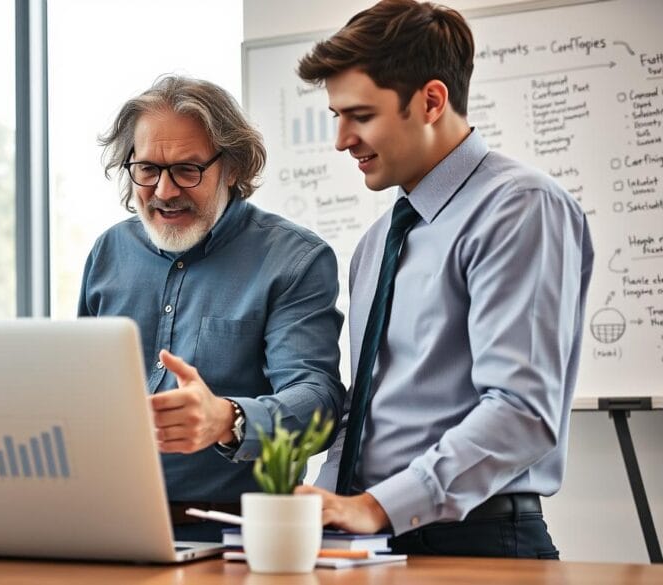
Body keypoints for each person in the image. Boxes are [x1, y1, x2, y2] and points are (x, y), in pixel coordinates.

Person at [292, 0, 594, 559]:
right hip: (372, 541)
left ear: (431, 100)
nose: (340, 140)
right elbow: (371, 409)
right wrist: (326, 509)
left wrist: (377, 506)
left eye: (359, 115)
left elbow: (522, 412)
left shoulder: (519, 208)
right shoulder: (378, 239)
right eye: (336, 116)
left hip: (478, 542)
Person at [79, 75, 345, 542]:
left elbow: (318, 399)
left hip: (238, 538)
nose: (163, 191)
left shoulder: (294, 259)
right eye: (146, 169)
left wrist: (228, 418)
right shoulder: (108, 253)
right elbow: (78, 391)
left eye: (187, 170)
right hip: (108, 527)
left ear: (234, 168)